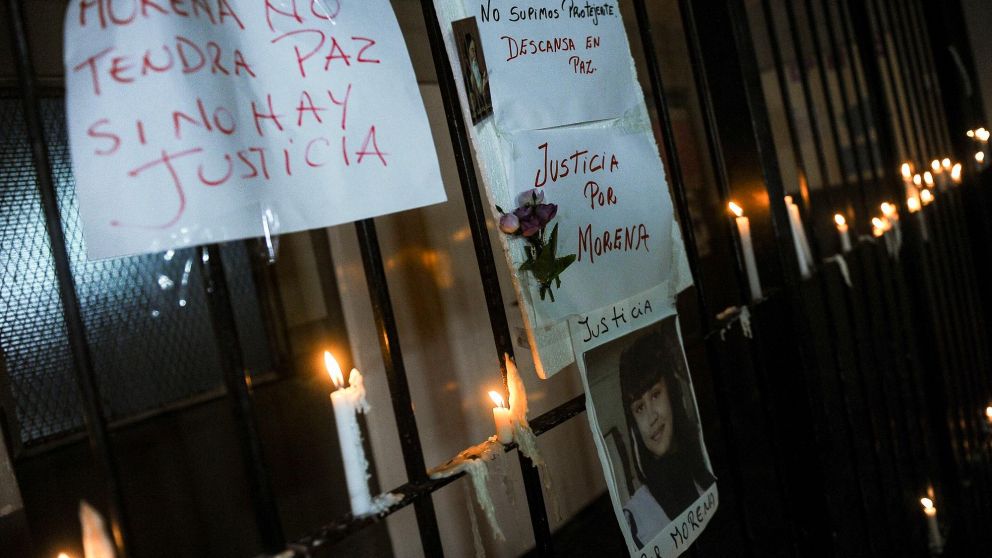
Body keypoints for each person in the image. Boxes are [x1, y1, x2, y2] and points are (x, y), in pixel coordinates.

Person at [618, 323, 715, 549]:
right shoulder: (635, 517)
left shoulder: (705, 473)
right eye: (639, 408)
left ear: (671, 393)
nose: (651, 417)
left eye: (655, 395)